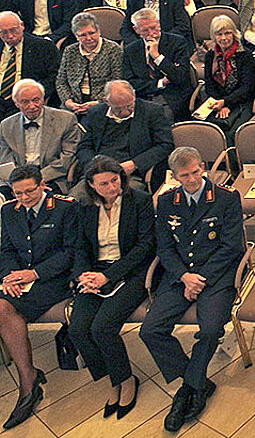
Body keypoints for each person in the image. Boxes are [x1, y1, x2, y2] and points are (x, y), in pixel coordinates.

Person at [142, 147, 243, 432]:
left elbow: (231, 247)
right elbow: (164, 247)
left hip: (216, 277)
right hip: (179, 276)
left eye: (195, 172)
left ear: (203, 166)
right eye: (184, 176)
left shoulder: (225, 197)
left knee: (210, 330)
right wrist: (185, 276)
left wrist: (200, 278)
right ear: (174, 176)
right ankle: (197, 381)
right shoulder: (166, 201)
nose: (191, 180)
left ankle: (186, 391)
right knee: (150, 330)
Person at [68, 155, 154, 421]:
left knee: (102, 327)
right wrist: (84, 275)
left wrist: (109, 277)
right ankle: (112, 378)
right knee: (78, 329)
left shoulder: (138, 200)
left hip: (130, 270)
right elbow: (81, 246)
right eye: (103, 183)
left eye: (114, 180)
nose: (111, 187)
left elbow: (144, 247)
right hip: (96, 271)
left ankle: (126, 379)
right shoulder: (85, 206)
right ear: (91, 185)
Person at [0, 164, 76, 429]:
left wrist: (34, 273)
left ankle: (28, 386)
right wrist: (9, 276)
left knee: (4, 310)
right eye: (18, 193)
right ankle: (29, 377)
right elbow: (7, 249)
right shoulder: (8, 210)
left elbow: (71, 253)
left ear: (43, 184)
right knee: (0, 307)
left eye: (29, 191)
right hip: (20, 279)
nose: (24, 198)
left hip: (53, 279)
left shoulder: (65, 207)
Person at [121, 7, 196, 121]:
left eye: (153, 28)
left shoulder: (177, 42)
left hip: (171, 97)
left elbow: (180, 76)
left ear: (159, 23)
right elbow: (130, 83)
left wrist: (157, 57)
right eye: (145, 30)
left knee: (158, 118)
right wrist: (160, 82)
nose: (151, 33)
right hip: (141, 98)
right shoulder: (130, 50)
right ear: (136, 30)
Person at [56, 12, 123, 118]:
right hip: (74, 104)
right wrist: (68, 102)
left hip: (103, 103)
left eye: (92, 33)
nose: (88, 38)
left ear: (99, 31)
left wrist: (98, 102)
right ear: (76, 36)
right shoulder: (70, 51)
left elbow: (118, 80)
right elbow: (61, 81)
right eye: (82, 35)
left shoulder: (113, 49)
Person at [202, 15, 255, 134]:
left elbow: (248, 88)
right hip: (217, 102)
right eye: (219, 34)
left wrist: (226, 102)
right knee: (207, 130)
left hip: (241, 101)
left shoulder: (245, 55)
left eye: (227, 33)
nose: (224, 38)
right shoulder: (210, 55)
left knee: (233, 132)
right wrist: (220, 103)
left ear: (234, 34)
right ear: (214, 36)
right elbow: (209, 85)